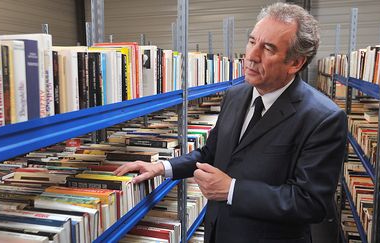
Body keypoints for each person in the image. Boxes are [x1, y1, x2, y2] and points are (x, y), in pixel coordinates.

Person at [114, 2, 347, 243]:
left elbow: (311, 202)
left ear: (295, 63)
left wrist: (232, 190)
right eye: (252, 41)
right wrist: (162, 168)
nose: (251, 56)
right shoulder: (236, 95)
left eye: (268, 48)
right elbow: (211, 153)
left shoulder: (323, 118)